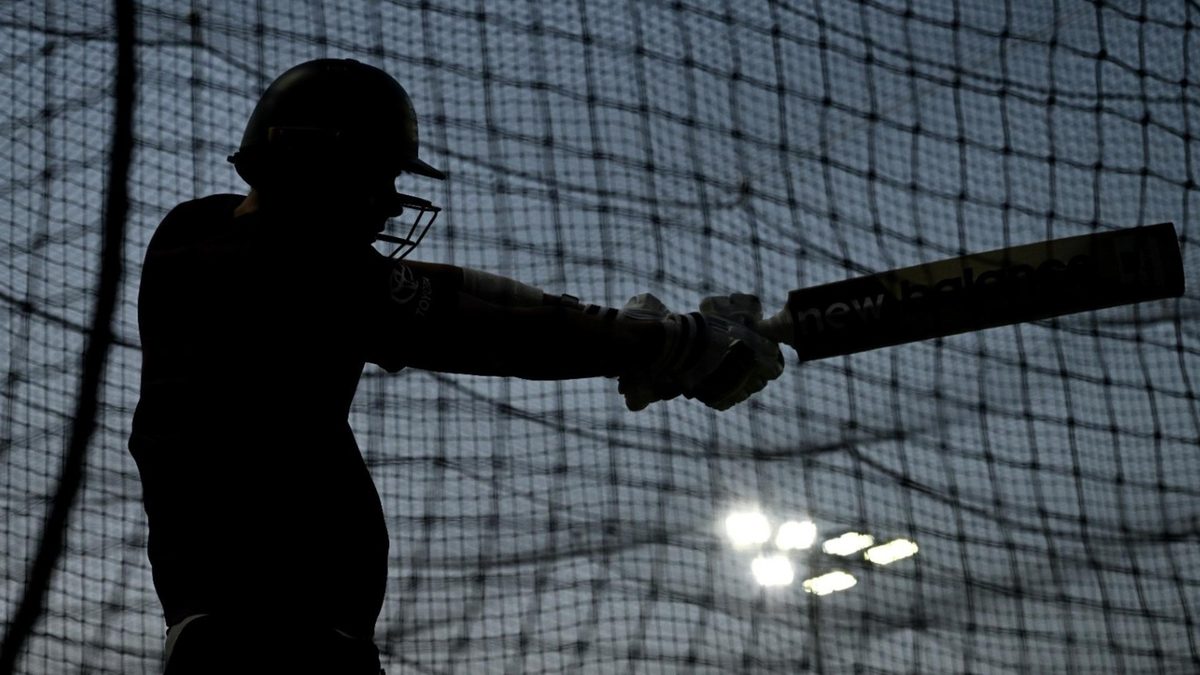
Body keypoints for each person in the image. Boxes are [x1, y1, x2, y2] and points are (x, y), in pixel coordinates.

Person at [128, 58, 783, 674]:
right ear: (312, 156)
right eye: (376, 174)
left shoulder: (204, 233)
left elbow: (452, 290)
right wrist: (653, 345)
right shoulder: (279, 268)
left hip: (272, 637)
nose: (387, 201)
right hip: (266, 643)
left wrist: (640, 332)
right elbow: (483, 329)